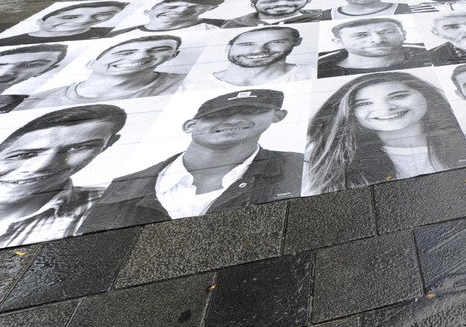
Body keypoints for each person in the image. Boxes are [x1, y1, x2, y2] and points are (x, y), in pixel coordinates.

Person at [79, 89, 302, 231]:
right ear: (190, 125)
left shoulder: (301, 167)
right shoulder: (121, 186)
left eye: (251, 111)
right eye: (217, 115)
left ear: (277, 116)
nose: (234, 120)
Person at [305, 72, 466, 192]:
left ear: (426, 96)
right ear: (350, 112)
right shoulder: (324, 162)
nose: (385, 108)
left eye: (398, 96)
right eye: (364, 104)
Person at [0, 105, 126, 246]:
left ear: (108, 144)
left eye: (79, 147)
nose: (41, 166)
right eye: (23, 155)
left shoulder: (117, 207)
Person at [21, 36, 186, 107]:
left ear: (172, 56)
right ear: (91, 64)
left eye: (160, 50)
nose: (141, 56)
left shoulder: (187, 84)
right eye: (124, 53)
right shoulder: (37, 101)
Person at [183, 27, 314, 89]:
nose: (258, 50)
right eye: (247, 44)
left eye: (276, 42)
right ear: (228, 48)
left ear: (296, 42)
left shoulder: (313, 73)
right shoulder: (190, 85)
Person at [317, 18, 430, 78]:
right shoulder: (319, 70)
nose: (378, 40)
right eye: (361, 35)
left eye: (387, 32)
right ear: (339, 42)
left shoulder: (432, 53)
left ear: (403, 35)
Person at [0, 2, 127, 45]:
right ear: (40, 20)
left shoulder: (118, 33)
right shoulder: (5, 43)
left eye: (104, 14)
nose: (84, 20)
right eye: (69, 17)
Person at [0, 44, 68, 114]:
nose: (8, 71)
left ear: (46, 70)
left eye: (31, 65)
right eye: (1, 65)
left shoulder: (40, 104)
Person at [221, 0, 329, 28]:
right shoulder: (232, 24)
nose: (282, 4)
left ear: (308, 1)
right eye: (270, 2)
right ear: (253, 6)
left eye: (293, 0)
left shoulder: (324, 16)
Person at [116, 0, 224, 33]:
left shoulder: (222, 26)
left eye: (193, 8)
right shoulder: (120, 33)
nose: (181, 11)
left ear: (209, 9)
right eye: (171, 7)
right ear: (148, 12)